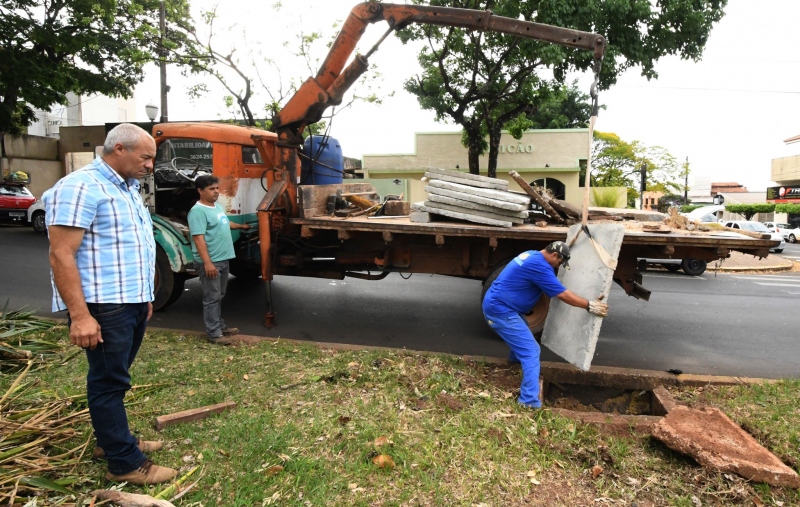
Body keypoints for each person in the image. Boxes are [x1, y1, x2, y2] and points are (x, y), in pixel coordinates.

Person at [44, 123, 177, 484]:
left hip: (130, 302)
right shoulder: (79, 187)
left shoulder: (127, 188)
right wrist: (80, 316)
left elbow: (136, 246)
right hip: (104, 306)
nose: (151, 165)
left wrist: (146, 297)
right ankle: (125, 463)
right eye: (146, 157)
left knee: (115, 379)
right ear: (119, 148)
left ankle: (113, 440)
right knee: (108, 381)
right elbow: (61, 255)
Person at [482, 241, 609, 409]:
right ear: (555, 255)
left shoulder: (532, 254)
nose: (559, 266)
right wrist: (588, 305)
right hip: (501, 310)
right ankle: (528, 402)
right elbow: (562, 294)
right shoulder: (539, 267)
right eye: (560, 262)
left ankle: (514, 360)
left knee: (523, 333)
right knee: (532, 351)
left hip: (502, 304)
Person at [188, 174, 251, 344]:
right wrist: (207, 263)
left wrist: (241, 226)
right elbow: (198, 238)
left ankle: (219, 325)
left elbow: (224, 222)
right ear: (200, 191)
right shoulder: (198, 212)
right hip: (211, 262)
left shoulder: (216, 206)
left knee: (219, 294)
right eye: (211, 189)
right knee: (212, 297)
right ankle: (214, 333)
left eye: (217, 188)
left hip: (223, 259)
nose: (216, 191)